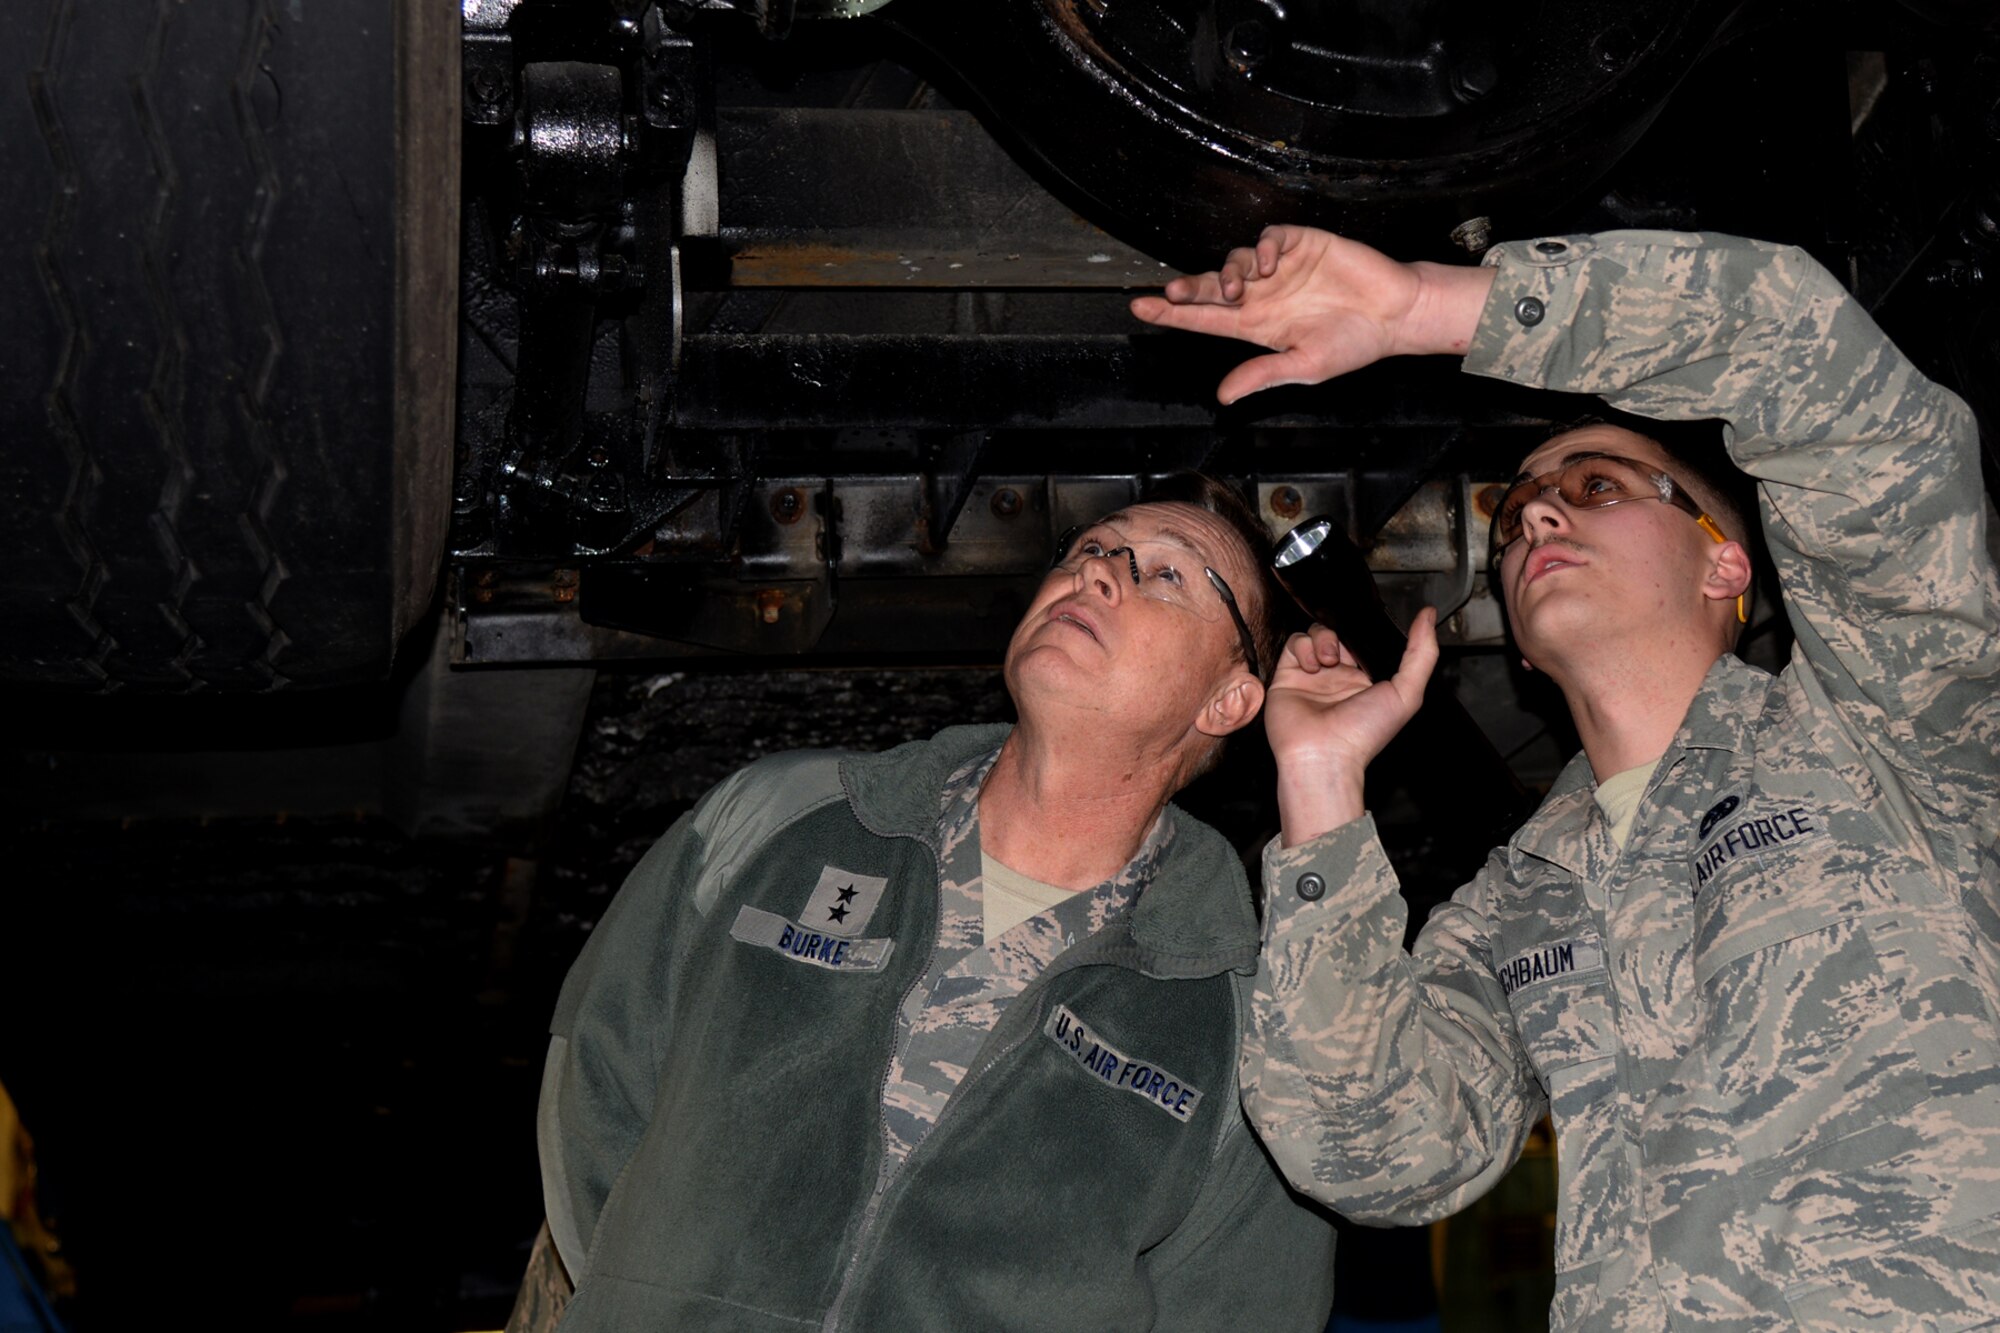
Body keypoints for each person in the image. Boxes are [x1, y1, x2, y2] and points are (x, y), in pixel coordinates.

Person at [1133, 226, 2000, 1329]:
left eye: (1594, 485)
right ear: (1523, 649)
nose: (1535, 510)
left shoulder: (1887, 726)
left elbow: (1807, 358)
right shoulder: (1515, 899)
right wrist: (1316, 787)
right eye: (1515, 512)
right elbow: (1376, 1155)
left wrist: (1426, 311)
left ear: (1725, 563)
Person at [516, 475, 1337, 1331]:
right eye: (1092, 547)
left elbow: (1248, 1306)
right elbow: (598, 1082)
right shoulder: (778, 823)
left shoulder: (1244, 1018)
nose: (1096, 572)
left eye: (1167, 575)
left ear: (1230, 698)